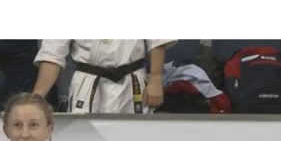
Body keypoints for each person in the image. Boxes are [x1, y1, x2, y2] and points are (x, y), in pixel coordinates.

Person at [32, 40, 175, 114]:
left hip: (132, 83)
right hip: (87, 84)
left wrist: (156, 78)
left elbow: (156, 40)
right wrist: (37, 96)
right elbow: (52, 54)